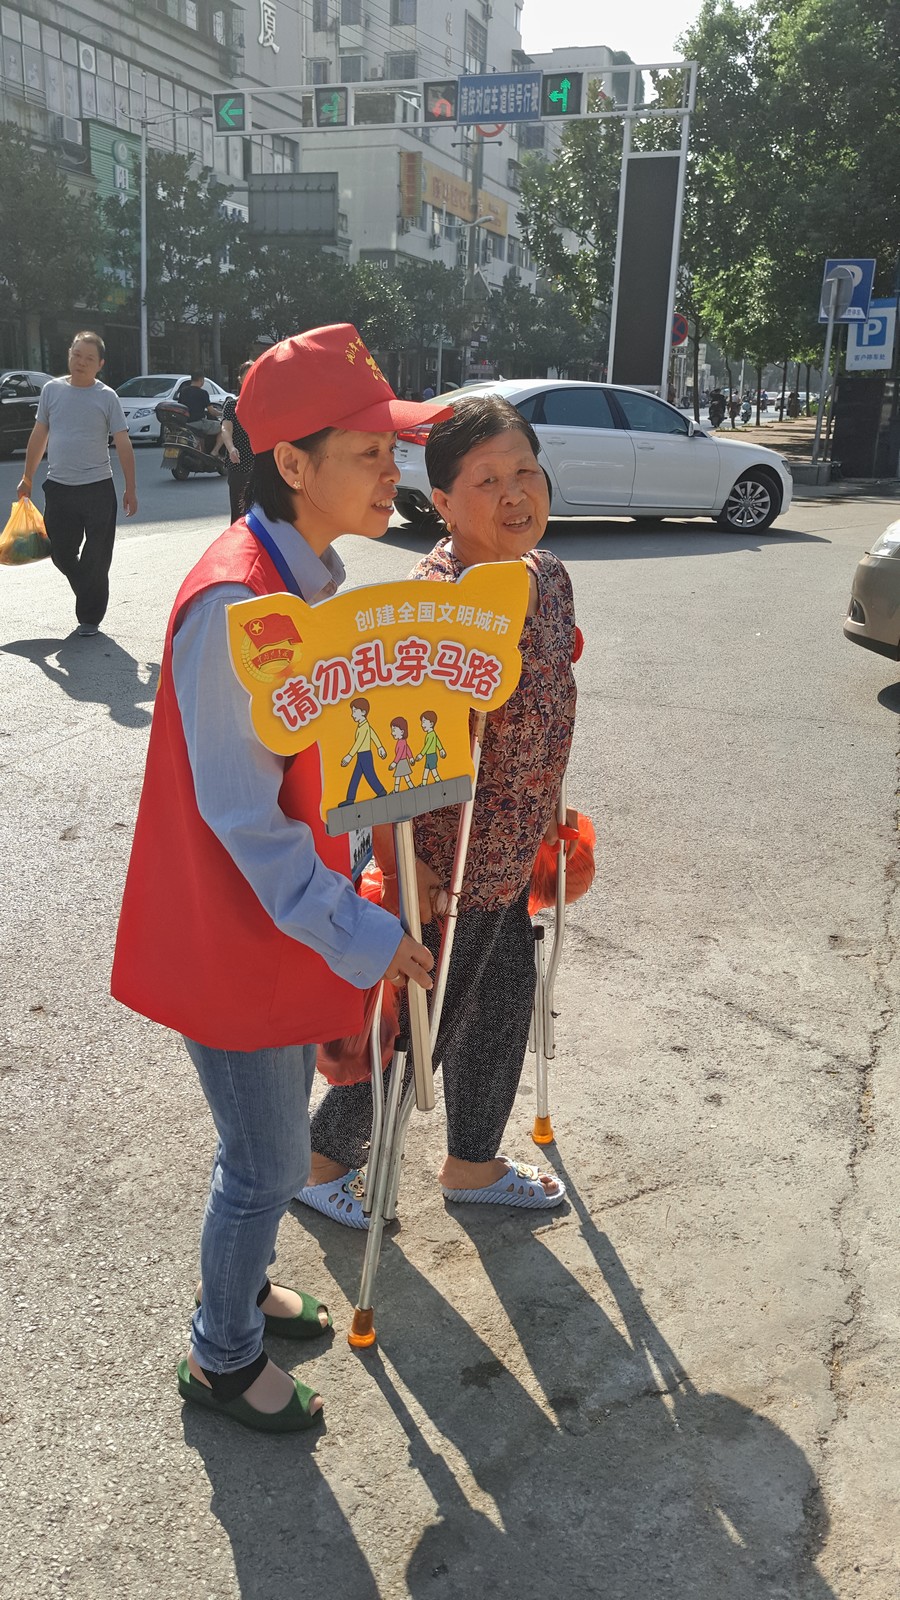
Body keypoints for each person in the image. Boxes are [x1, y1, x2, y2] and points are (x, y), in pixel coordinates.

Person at [111, 324, 450, 1433]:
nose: (392, 472)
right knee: (262, 1164)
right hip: (237, 935)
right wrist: (364, 934)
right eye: (369, 452)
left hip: (276, 927)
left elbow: (313, 771)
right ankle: (220, 1358)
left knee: (262, 1145)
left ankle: (244, 1289)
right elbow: (248, 824)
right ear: (293, 464)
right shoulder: (237, 603)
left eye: (391, 450)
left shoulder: (303, 578)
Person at [299, 392, 578, 1227]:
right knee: (424, 1021)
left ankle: (472, 1163)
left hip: (512, 849)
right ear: (445, 502)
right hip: (445, 863)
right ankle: (320, 1162)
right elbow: (382, 759)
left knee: (503, 1004)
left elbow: (554, 698)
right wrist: (399, 859)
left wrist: (551, 812)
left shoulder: (547, 577)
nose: (515, 494)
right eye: (487, 480)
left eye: (526, 471)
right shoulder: (431, 608)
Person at [16, 331, 137, 636]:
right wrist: (27, 476)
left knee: (97, 556)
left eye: (89, 358)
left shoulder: (107, 396)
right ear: (69, 354)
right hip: (59, 488)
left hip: (98, 488)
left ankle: (89, 618)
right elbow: (39, 435)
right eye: (77, 355)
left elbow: (123, 442)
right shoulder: (52, 391)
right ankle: (89, 588)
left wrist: (131, 488)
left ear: (100, 364)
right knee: (60, 552)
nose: (81, 362)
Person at [220, 361, 255, 520]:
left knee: (260, 512)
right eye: (247, 376)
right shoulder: (231, 405)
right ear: (240, 380)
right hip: (238, 462)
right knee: (238, 511)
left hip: (260, 464)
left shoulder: (263, 404)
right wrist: (231, 448)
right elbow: (226, 429)